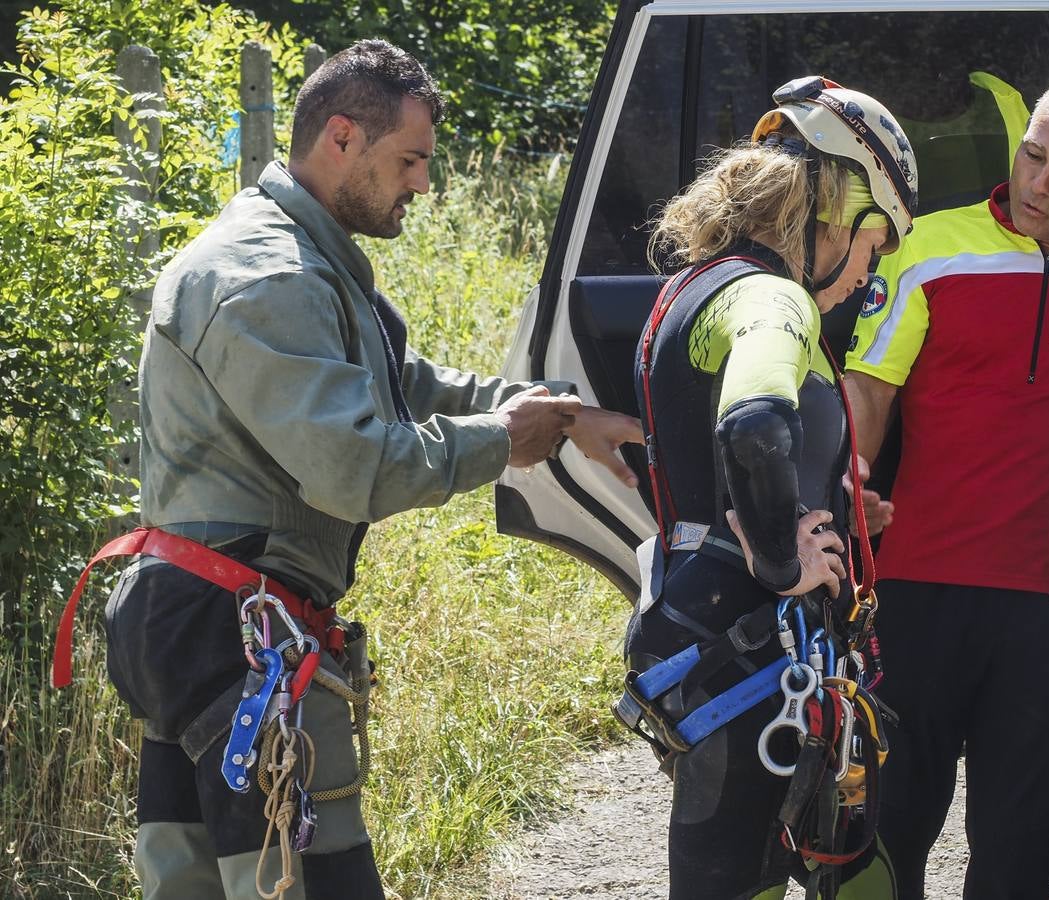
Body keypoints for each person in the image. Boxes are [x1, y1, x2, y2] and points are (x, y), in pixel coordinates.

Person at [52, 40, 642, 899]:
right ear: (340, 137)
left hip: (202, 625)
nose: (423, 185)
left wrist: (554, 412)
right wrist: (497, 442)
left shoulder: (306, 260)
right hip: (234, 631)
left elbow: (406, 386)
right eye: (410, 160)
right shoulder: (268, 274)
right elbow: (355, 467)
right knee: (317, 885)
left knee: (198, 888)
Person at [842, 77, 1049, 898]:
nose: (1037, 184)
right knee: (889, 823)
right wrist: (843, 519)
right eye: (1033, 156)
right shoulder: (929, 246)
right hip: (918, 581)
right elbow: (869, 391)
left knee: (1022, 842)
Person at [616, 76, 916, 899]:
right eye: (877, 243)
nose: (868, 273)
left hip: (714, 635)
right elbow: (751, 427)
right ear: (840, 210)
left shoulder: (698, 286)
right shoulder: (771, 296)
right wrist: (783, 558)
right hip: (750, 651)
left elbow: (720, 456)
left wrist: (825, 503)